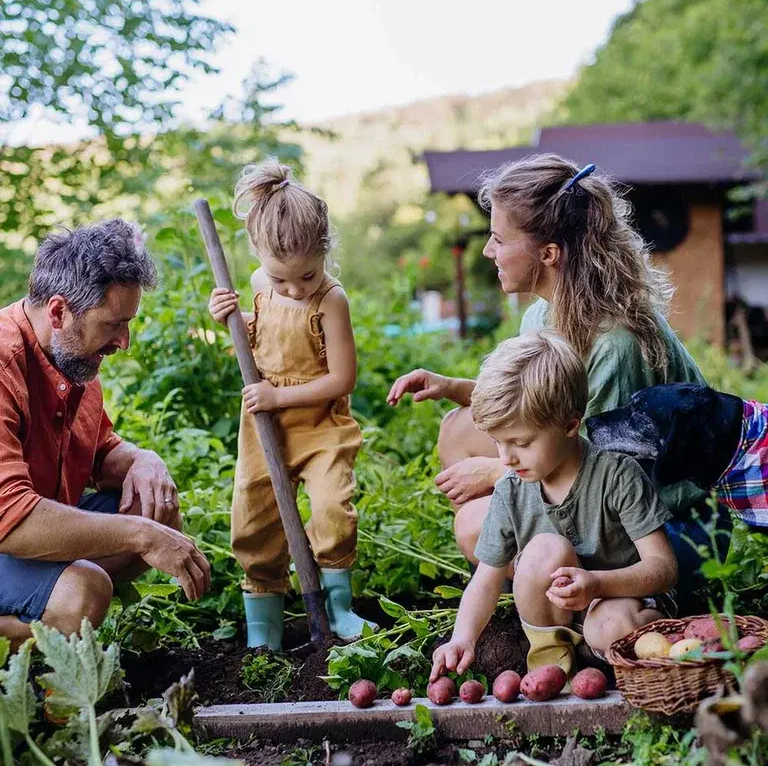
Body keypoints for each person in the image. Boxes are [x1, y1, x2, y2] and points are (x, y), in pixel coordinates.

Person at [387, 154, 725, 595]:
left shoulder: (612, 344)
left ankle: (563, 588)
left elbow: (599, 463)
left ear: (548, 254)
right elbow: (539, 406)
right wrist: (454, 388)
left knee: (475, 525)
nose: (489, 251)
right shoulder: (543, 314)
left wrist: (495, 473)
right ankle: (537, 570)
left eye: (499, 240)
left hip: (669, 528)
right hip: (598, 481)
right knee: (458, 428)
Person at [0, 219, 211, 649]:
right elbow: (11, 519)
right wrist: (140, 535)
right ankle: (53, 628)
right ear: (59, 312)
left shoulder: (72, 356)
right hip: (9, 530)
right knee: (85, 590)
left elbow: (99, 452)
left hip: (22, 532)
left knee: (157, 508)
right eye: (114, 324)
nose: (125, 342)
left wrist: (141, 458)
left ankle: (58, 620)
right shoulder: (5, 364)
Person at [430, 332, 678, 681]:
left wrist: (596, 584)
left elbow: (663, 568)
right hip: (560, 613)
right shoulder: (511, 489)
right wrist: (462, 638)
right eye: (498, 443)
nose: (506, 457)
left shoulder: (617, 475)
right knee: (543, 550)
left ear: (569, 425)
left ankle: (637, 643)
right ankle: (553, 660)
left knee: (609, 628)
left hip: (622, 599)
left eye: (521, 442)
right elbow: (486, 581)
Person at [208, 158, 375, 650]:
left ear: (324, 251)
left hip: (320, 424)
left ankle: (339, 608)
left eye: (306, 275)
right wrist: (230, 319)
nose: (295, 289)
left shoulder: (330, 300)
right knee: (254, 516)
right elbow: (260, 337)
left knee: (331, 509)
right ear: (258, 255)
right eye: (281, 280)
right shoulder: (262, 286)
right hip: (264, 426)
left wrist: (279, 394)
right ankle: (265, 626)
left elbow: (343, 378)